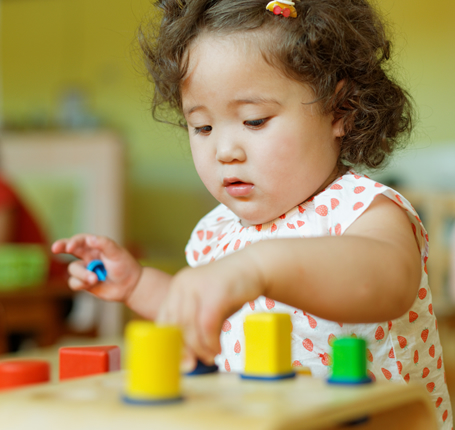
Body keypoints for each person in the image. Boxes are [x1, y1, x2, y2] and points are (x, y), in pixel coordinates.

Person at [51, 0, 452, 427]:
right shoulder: (217, 231)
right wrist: (137, 284)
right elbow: (206, 307)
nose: (225, 151)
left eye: (255, 120)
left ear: (342, 110)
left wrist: (257, 266)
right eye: (203, 127)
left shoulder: (362, 209)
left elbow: (387, 280)